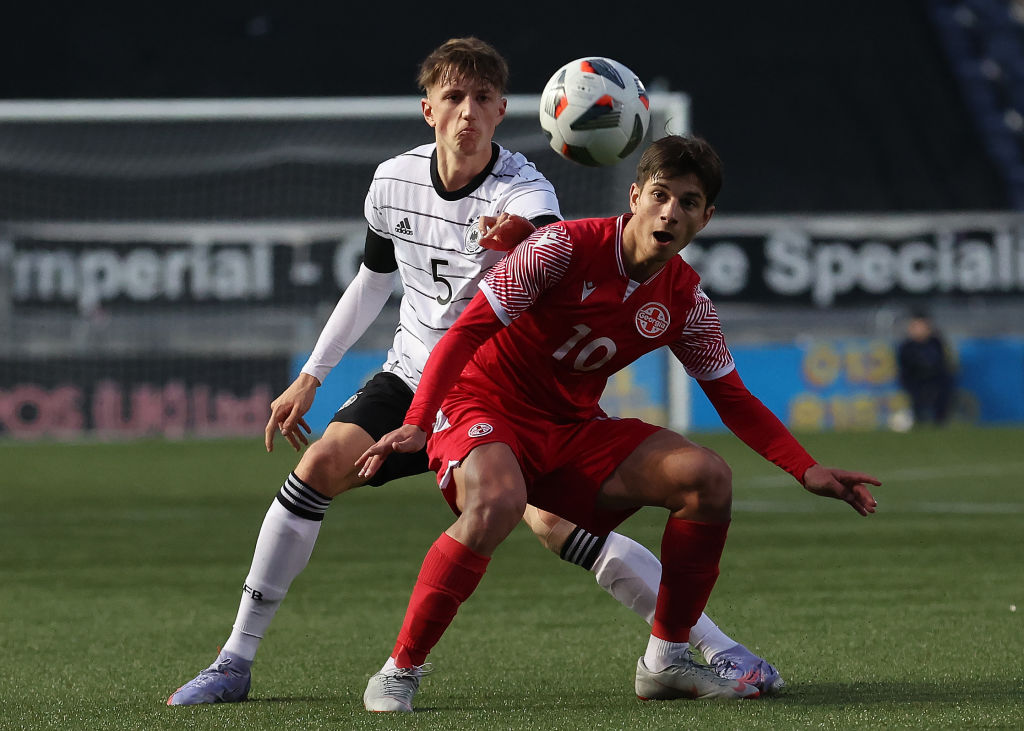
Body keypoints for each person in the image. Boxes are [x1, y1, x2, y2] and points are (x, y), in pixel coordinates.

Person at [167, 40, 780, 706]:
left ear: (504, 111)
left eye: (483, 98)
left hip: (500, 389)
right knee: (317, 467)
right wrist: (314, 373)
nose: (468, 112)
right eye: (454, 97)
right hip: (414, 374)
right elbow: (373, 280)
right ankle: (233, 661)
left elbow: (553, 246)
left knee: (558, 526)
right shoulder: (392, 180)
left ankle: (710, 646)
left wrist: (519, 234)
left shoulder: (526, 189)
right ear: (428, 108)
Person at [357, 134, 882, 711]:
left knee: (706, 478)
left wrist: (805, 469)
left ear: (705, 218)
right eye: (660, 195)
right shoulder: (558, 248)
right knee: (498, 500)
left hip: (570, 427)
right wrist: (417, 420)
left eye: (687, 202)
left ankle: (667, 660)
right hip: (481, 404)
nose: (670, 212)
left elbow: (732, 398)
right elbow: (465, 332)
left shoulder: (686, 302)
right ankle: (400, 668)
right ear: (634, 197)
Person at [896, 311, 954, 427]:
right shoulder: (906, 346)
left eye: (923, 326)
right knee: (916, 395)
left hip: (934, 379)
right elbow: (905, 368)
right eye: (917, 326)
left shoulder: (935, 343)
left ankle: (940, 422)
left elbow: (942, 363)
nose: (920, 330)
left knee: (943, 389)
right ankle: (919, 421)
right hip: (915, 381)